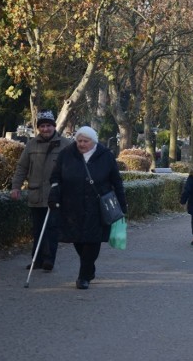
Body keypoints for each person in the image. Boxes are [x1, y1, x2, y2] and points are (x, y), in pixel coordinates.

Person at [48, 126, 127, 289]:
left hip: (97, 206)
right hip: (72, 204)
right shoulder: (66, 154)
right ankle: (89, 267)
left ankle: (83, 276)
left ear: (94, 142)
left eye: (85, 141)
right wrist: (54, 192)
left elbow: (116, 181)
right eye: (79, 140)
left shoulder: (106, 156)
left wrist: (122, 204)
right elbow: (55, 176)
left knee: (93, 240)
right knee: (77, 239)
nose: (81, 144)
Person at [11, 110, 72, 271]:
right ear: (38, 128)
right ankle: (36, 260)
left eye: (48, 126)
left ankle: (49, 259)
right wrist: (16, 187)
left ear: (54, 126)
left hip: (56, 194)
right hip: (36, 194)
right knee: (37, 229)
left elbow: (74, 169)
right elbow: (22, 167)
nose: (45, 129)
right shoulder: (31, 144)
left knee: (52, 228)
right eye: (42, 126)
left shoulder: (66, 144)